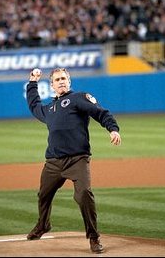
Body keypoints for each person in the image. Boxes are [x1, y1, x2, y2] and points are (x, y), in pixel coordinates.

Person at [26, 67, 121, 253]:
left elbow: (100, 112)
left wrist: (113, 128)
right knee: (43, 195)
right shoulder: (49, 109)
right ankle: (43, 225)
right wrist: (32, 83)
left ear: (69, 81)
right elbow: (34, 105)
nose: (61, 81)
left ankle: (93, 237)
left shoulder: (78, 98)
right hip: (53, 162)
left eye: (64, 78)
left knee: (84, 194)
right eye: (57, 79)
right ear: (52, 85)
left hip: (77, 160)